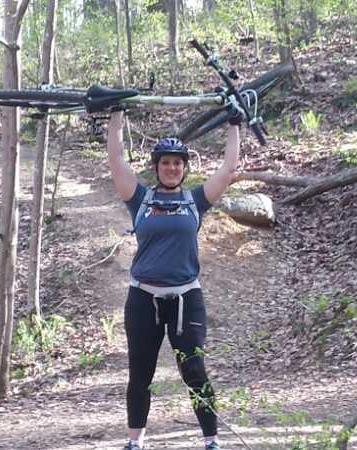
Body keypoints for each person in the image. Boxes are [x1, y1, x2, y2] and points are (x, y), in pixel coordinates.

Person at [107, 109, 241, 450]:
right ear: (157, 167)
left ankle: (211, 441)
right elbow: (116, 159)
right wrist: (116, 115)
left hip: (186, 299)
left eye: (178, 163)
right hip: (142, 299)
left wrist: (234, 124)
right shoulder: (141, 199)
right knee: (141, 373)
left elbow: (227, 169)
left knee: (194, 369)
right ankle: (135, 442)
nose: (172, 168)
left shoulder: (195, 200)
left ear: (184, 169)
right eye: (166, 163)